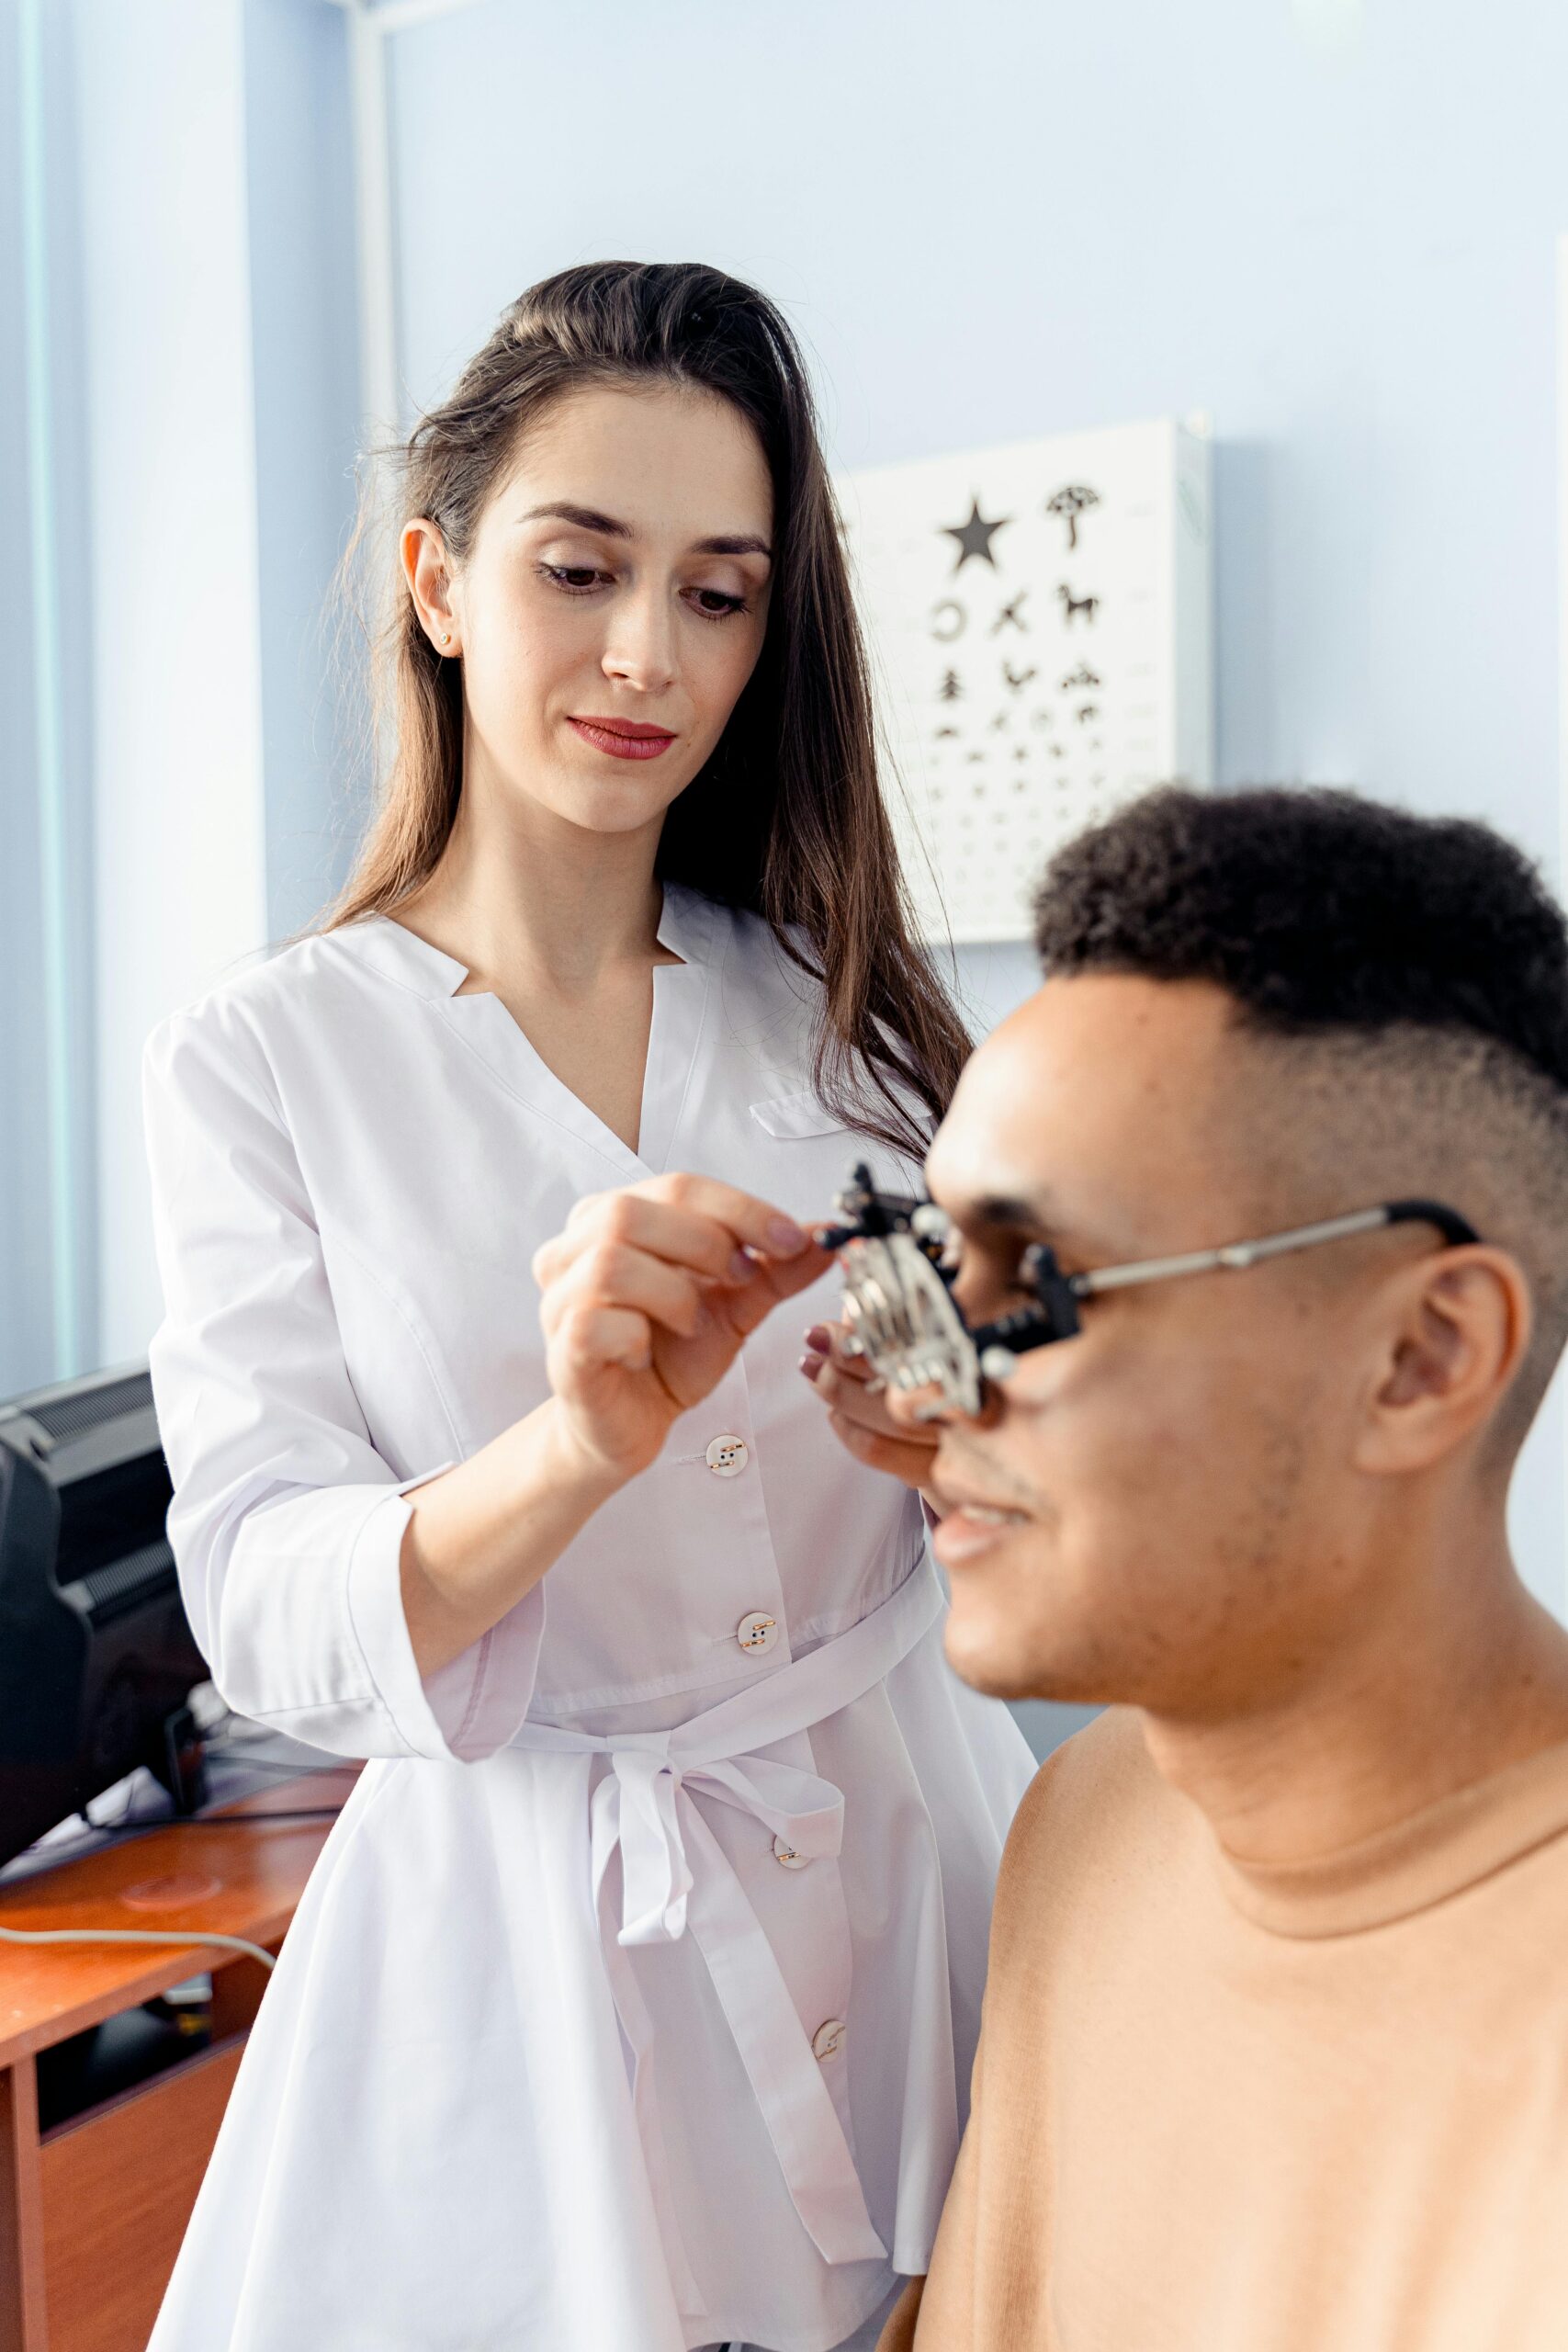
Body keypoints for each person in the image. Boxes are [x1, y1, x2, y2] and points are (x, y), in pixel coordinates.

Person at [141, 261, 1032, 2352]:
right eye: (581, 568)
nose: (647, 654)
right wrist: (575, 1448)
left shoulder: (855, 1038)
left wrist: (959, 1429)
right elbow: (265, 1598)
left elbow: (986, 1437)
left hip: (916, 1853)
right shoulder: (268, 1058)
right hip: (536, 1966)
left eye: (719, 593)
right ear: (443, 581)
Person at [810, 785, 1568, 2351]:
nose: (925, 1386)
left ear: (1423, 1357)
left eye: (1039, 1288)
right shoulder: (1089, 1821)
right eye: (929, 1267)